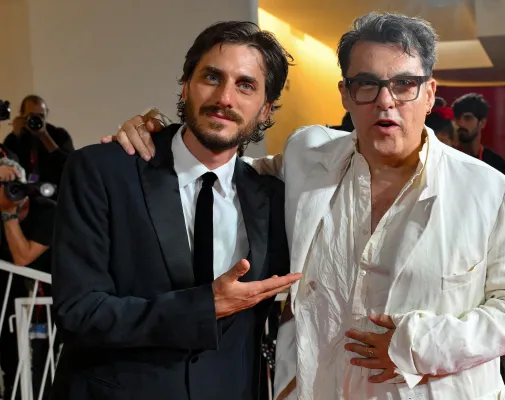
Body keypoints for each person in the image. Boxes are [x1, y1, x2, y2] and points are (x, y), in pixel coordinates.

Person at [108, 12, 505, 400]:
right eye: (367, 84)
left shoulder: (487, 191)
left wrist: (417, 345)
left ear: (430, 93)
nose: (385, 101)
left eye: (404, 84)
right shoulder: (308, 156)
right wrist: (161, 136)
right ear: (345, 94)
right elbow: (225, 170)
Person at [51, 21, 301, 400]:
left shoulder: (275, 198)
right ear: (185, 86)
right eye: (212, 77)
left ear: (265, 110)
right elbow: (79, 313)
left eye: (245, 85)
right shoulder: (102, 171)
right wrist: (203, 308)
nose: (225, 98)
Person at [0, 157, 56, 399]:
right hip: (12, 298)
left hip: (50, 300)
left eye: (13, 184)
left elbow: (23, 257)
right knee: (11, 360)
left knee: (44, 365)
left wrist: (7, 213)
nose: (8, 191)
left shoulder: (47, 210)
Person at [5, 95, 74, 187]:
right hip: (23, 189)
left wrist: (44, 136)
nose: (36, 119)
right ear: (22, 115)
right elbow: (7, 164)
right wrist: (16, 135)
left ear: (47, 113)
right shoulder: (14, 138)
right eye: (31, 116)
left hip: (55, 189)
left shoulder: (59, 135)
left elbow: (70, 166)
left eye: (41, 116)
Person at [451, 93, 505, 176]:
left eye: (468, 118)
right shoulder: (447, 158)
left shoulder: (496, 164)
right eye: (457, 118)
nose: (461, 124)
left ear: (482, 123)